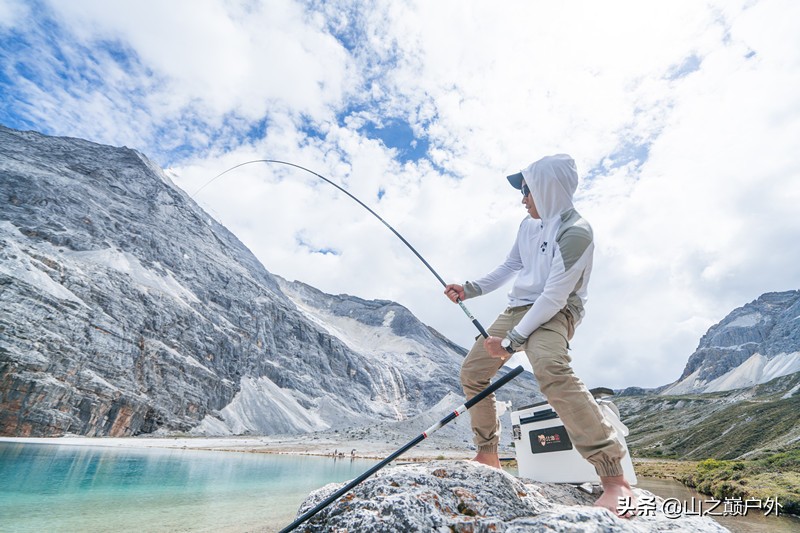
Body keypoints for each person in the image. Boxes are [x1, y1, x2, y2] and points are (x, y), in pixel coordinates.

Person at [444, 154, 636, 516]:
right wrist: (469, 289)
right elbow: (511, 266)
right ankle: (488, 456)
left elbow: (553, 296)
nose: (522, 198)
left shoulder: (576, 232)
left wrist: (512, 342)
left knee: (550, 368)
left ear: (547, 190)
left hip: (558, 310)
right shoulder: (528, 225)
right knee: (473, 372)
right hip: (520, 306)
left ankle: (614, 478)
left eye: (526, 190)